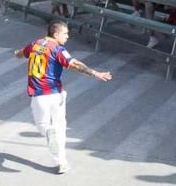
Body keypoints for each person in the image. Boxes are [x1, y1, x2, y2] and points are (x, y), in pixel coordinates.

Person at [14, 20, 112, 174]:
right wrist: (95, 73)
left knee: (42, 126)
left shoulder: (35, 44)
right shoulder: (58, 49)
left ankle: (49, 134)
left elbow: (21, 53)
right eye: (65, 33)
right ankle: (62, 161)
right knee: (60, 127)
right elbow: (75, 64)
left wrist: (16, 54)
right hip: (56, 94)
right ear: (56, 33)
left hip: (39, 95)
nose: (67, 37)